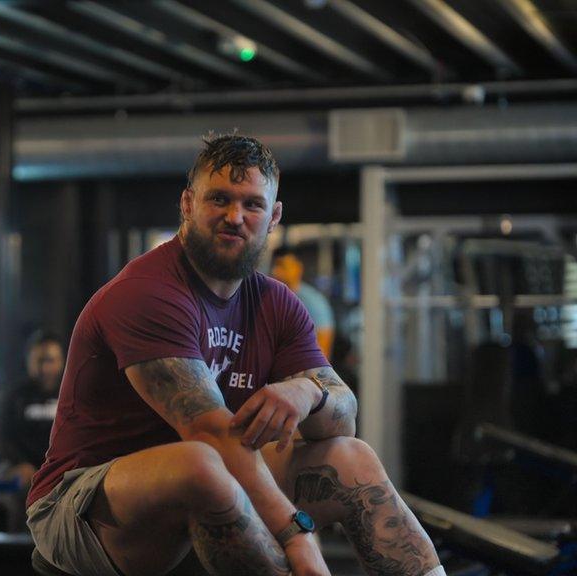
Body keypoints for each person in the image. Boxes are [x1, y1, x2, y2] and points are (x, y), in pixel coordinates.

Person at [27, 133, 444, 576]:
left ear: (274, 216)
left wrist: (307, 392)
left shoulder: (277, 304)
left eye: (252, 205)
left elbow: (342, 416)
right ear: (187, 204)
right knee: (202, 464)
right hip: (81, 505)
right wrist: (297, 535)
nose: (235, 217)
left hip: (213, 485)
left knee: (350, 457)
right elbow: (209, 433)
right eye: (219, 200)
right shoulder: (148, 293)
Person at [0, 330, 66, 530]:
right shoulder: (14, 395)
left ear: (61, 361)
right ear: (29, 361)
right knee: (22, 489)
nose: (45, 367)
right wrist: (20, 464)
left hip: (62, 469)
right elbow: (3, 439)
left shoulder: (72, 395)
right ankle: (19, 556)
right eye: (39, 360)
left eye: (50, 360)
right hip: (21, 467)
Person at [270, 248, 335, 359]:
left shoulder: (314, 303)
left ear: (298, 268)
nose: (277, 272)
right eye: (275, 266)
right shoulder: (269, 298)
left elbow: (322, 354)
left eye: (283, 266)